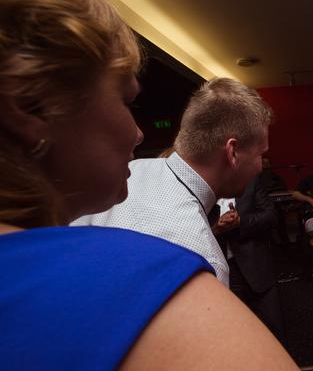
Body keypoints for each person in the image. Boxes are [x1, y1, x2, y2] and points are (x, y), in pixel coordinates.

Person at [0, 0, 313, 371]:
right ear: (31, 105)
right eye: (125, 100)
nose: (138, 133)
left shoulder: (137, 176)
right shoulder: (184, 260)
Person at [73, 76, 270, 286]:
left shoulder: (130, 171)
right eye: (261, 154)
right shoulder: (203, 261)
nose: (261, 166)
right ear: (233, 153)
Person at [214, 175, 287, 347]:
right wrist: (217, 227)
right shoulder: (204, 187)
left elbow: (271, 216)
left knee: (274, 331)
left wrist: (241, 222)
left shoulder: (250, 182)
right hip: (223, 272)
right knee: (237, 334)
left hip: (257, 267)